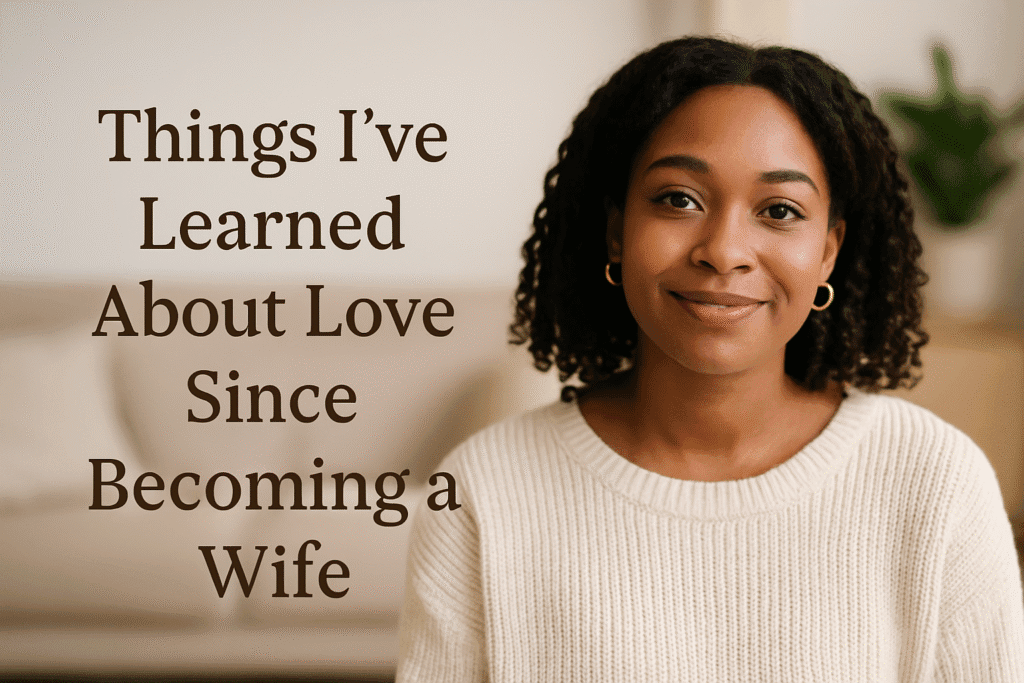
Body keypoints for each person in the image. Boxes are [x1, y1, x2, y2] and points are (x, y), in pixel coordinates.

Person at [397, 36, 1024, 681]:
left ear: (828, 252)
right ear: (615, 231)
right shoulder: (483, 490)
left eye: (779, 211)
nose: (725, 251)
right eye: (678, 199)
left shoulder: (935, 482)